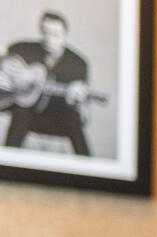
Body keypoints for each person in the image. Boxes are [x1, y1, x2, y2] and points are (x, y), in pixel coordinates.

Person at [2, 10, 91, 155]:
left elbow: (83, 110)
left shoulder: (78, 64)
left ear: (65, 35)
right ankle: (7, 165)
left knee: (73, 121)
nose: (49, 39)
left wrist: (73, 99)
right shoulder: (23, 49)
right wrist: (3, 75)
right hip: (28, 115)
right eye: (46, 33)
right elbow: (5, 60)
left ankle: (90, 171)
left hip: (58, 118)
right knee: (20, 112)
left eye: (55, 34)